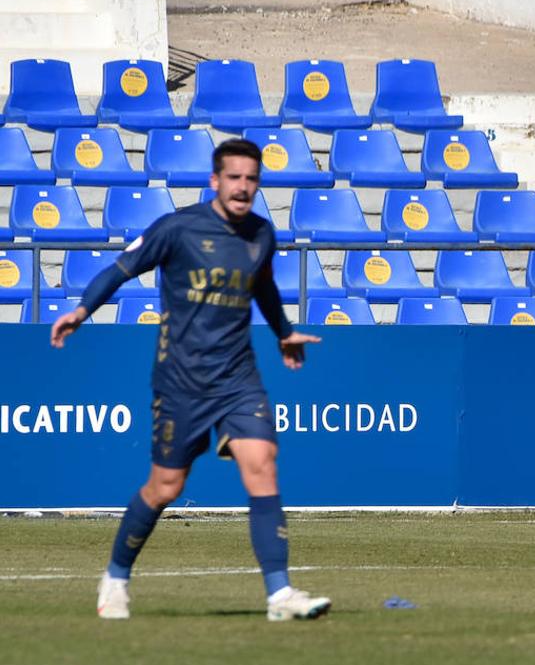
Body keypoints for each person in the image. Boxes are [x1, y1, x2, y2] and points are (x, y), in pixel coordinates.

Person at [50, 138, 331, 620]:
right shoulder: (177, 228)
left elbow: (262, 286)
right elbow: (121, 269)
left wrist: (284, 333)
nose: (244, 187)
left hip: (238, 376)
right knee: (166, 486)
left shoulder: (262, 234)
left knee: (261, 462)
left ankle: (280, 595)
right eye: (235, 177)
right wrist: (81, 310)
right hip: (181, 381)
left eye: (252, 179)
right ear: (214, 180)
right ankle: (116, 577)